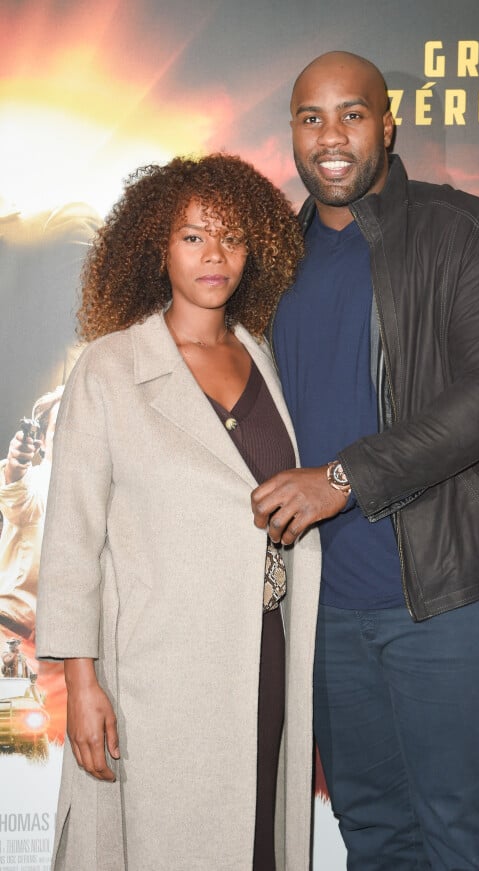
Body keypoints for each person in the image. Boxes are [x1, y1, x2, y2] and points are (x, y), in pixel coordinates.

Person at [251, 51, 479, 869]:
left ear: (388, 123)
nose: (331, 136)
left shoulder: (465, 229)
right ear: (294, 135)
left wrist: (344, 478)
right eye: (312, 117)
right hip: (320, 610)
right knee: (375, 837)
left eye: (352, 113)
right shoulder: (267, 260)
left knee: (466, 840)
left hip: (448, 599)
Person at [35, 154, 321, 871]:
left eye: (230, 236)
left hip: (263, 653)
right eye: (192, 236)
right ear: (155, 247)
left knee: (255, 842)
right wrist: (81, 680)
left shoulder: (265, 357)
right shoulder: (109, 367)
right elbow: (71, 538)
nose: (214, 255)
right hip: (157, 673)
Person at [0, 386, 63, 640]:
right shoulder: (39, 483)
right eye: (62, 425)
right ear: (43, 443)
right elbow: (18, 493)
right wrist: (16, 462)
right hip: (15, 635)